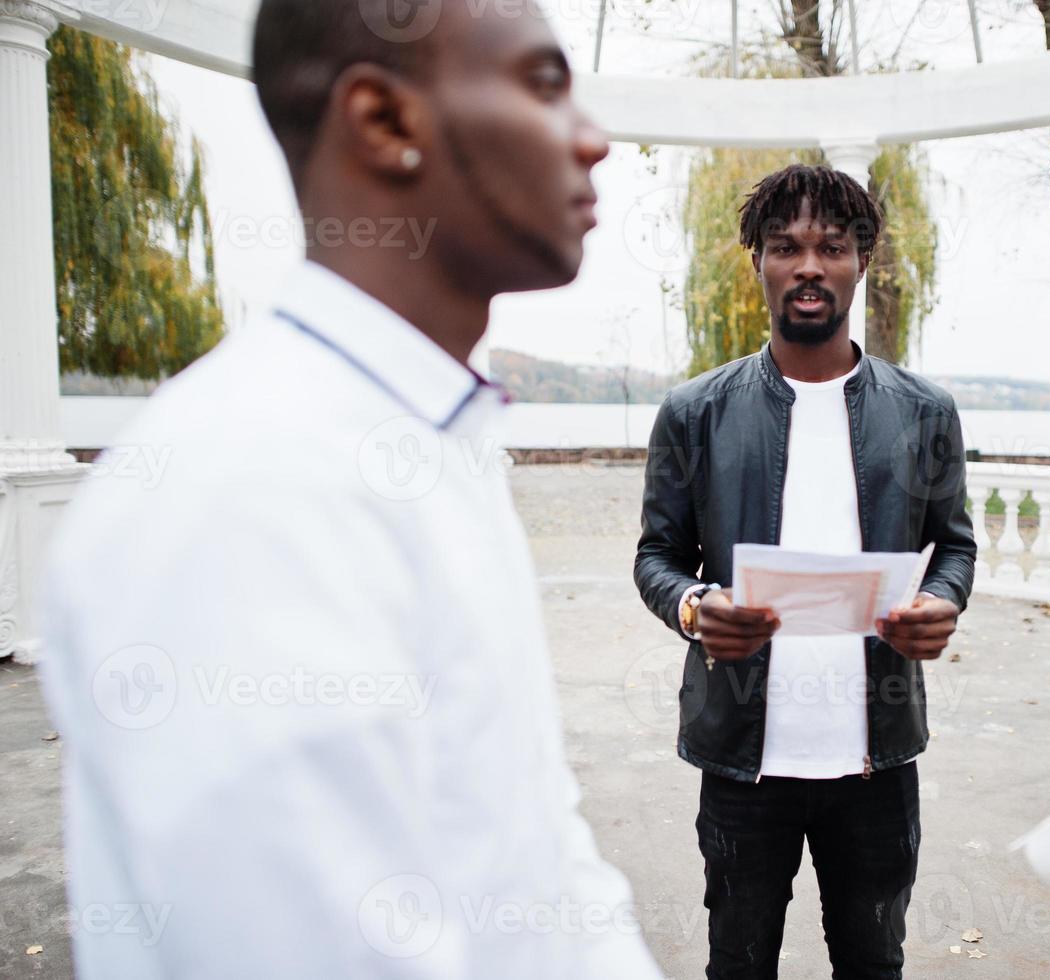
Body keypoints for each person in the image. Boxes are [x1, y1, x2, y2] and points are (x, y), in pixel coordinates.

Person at [38, 1, 661, 977]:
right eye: (543, 85)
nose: (594, 138)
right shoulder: (251, 488)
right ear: (384, 121)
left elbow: (533, 849)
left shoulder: (425, 437)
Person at [634, 164, 977, 979]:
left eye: (831, 245)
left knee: (872, 963)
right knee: (738, 964)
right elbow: (656, 557)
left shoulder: (924, 412)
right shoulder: (695, 412)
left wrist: (941, 599)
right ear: (756, 259)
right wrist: (693, 607)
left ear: (862, 259)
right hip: (742, 756)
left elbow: (955, 545)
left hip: (876, 757)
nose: (809, 265)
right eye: (785, 246)